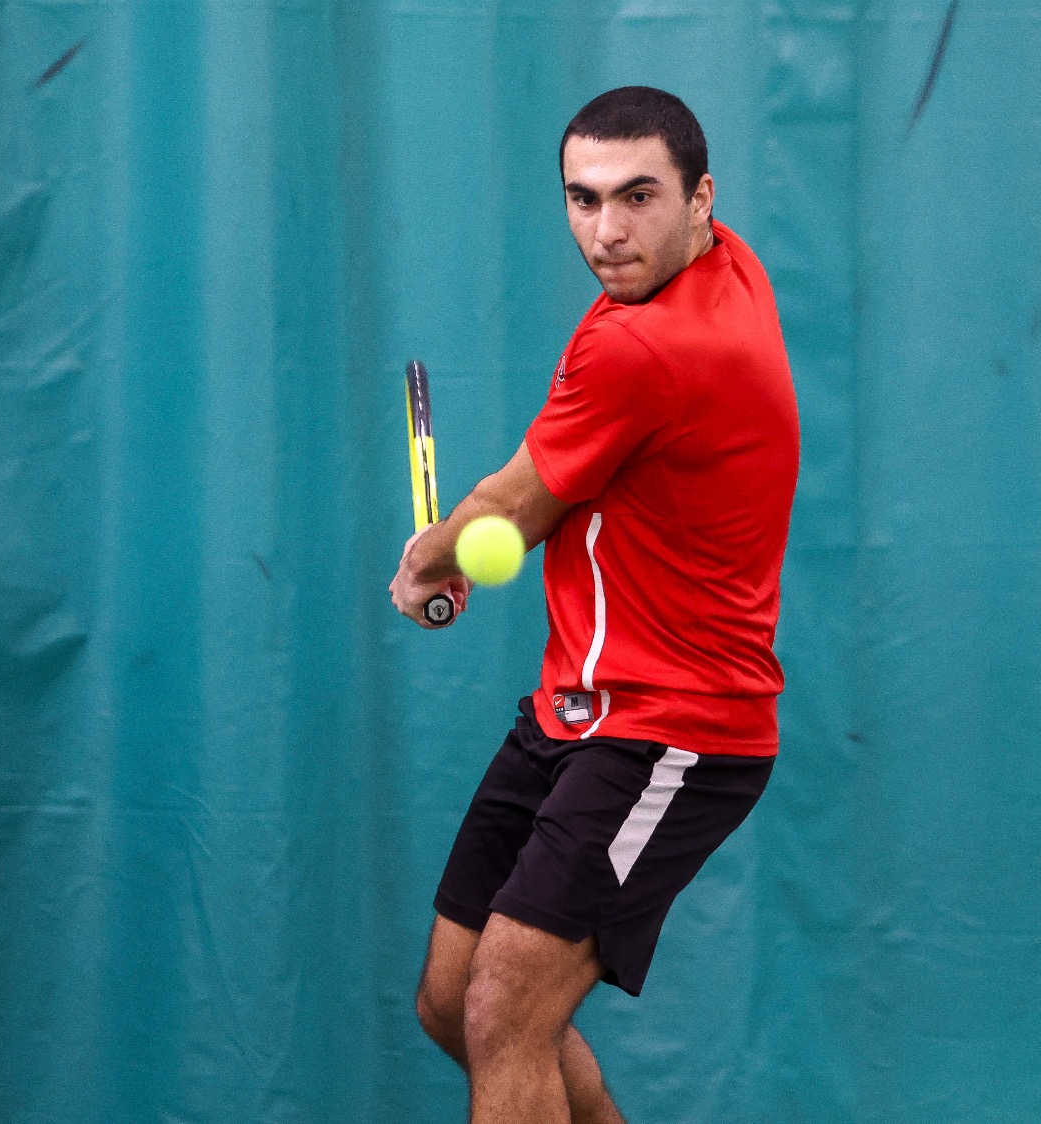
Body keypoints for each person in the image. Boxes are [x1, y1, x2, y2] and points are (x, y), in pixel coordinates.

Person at [389, 85, 800, 1124]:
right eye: (582, 199)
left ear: (700, 196)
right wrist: (469, 538)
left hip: (676, 726)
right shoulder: (714, 269)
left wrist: (426, 559)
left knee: (506, 1007)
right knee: (453, 999)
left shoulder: (644, 347)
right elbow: (534, 492)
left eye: (636, 197)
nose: (606, 231)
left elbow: (510, 513)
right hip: (578, 705)